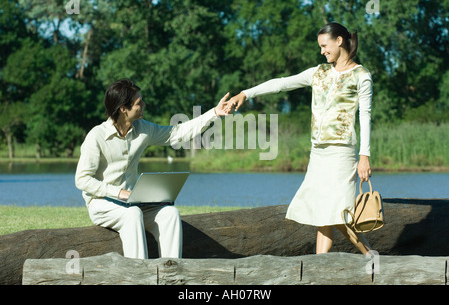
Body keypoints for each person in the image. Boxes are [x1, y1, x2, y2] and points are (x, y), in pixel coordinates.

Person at [227, 22, 373, 254]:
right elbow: (281, 84)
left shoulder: (361, 76)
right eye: (320, 47)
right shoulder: (319, 72)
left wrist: (364, 156)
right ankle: (318, 269)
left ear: (339, 41)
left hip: (342, 153)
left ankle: (373, 259)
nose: (322, 51)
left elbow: (365, 116)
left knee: (342, 216)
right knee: (322, 216)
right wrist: (246, 93)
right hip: (318, 153)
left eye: (325, 46)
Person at [75, 78, 231, 259]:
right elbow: (82, 180)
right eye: (139, 103)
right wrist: (118, 193)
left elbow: (177, 134)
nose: (144, 105)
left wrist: (214, 113)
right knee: (132, 214)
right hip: (102, 204)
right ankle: (140, 276)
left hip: (132, 202)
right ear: (123, 108)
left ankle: (171, 273)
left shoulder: (144, 129)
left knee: (170, 213)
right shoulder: (96, 136)